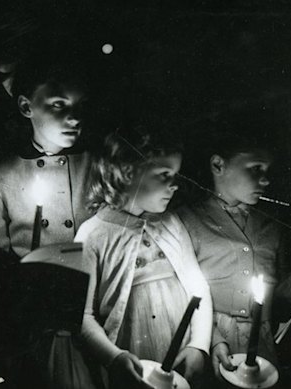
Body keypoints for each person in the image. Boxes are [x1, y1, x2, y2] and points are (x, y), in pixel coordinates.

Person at [176, 113, 291, 386]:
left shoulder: (270, 224)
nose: (265, 180)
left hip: (262, 345)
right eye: (255, 169)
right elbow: (179, 295)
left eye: (267, 171)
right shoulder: (187, 221)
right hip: (211, 342)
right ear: (218, 165)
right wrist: (211, 339)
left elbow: (278, 281)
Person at [75, 125, 213, 389]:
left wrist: (199, 345)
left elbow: (200, 288)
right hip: (131, 358)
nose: (174, 185)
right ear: (128, 172)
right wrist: (114, 358)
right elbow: (83, 316)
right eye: (164, 174)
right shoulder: (92, 235)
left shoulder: (171, 223)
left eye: (175, 175)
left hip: (180, 353)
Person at [0, 58, 92, 258]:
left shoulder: (98, 166)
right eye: (58, 104)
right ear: (26, 107)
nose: (75, 117)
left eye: (79, 105)